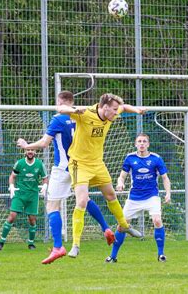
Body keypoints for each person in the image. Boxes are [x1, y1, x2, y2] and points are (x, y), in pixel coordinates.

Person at [17, 91, 115, 265]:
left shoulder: (59, 119)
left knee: (52, 205)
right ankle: (106, 227)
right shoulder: (85, 116)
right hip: (82, 166)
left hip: (63, 167)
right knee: (83, 199)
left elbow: (44, 144)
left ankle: (58, 247)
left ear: (60, 102)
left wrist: (26, 145)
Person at [57, 93, 146, 258]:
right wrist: (75, 109)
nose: (115, 113)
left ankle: (124, 225)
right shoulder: (85, 114)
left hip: (97, 163)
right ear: (104, 107)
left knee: (111, 195)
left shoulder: (111, 112)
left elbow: (124, 107)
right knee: (82, 201)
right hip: (79, 163)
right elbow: (60, 109)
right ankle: (75, 245)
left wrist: (137, 110)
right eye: (113, 110)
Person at [105, 133, 171, 263]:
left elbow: (165, 178)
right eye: (139, 141)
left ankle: (161, 254)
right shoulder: (130, 158)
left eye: (144, 141)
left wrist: (168, 193)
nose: (141, 144)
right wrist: (120, 183)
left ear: (148, 144)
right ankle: (113, 256)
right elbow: (122, 176)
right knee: (121, 226)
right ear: (135, 144)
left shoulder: (156, 159)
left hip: (151, 196)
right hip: (134, 197)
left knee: (157, 220)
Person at [0, 149, 48, 251]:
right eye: (28, 150)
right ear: (25, 152)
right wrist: (11, 186)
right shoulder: (19, 163)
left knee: (32, 220)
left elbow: (45, 177)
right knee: (12, 216)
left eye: (32, 150)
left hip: (33, 195)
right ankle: (1, 242)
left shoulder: (39, 164)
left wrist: (45, 185)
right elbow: (12, 176)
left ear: (35, 152)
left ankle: (31, 243)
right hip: (20, 194)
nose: (30, 152)